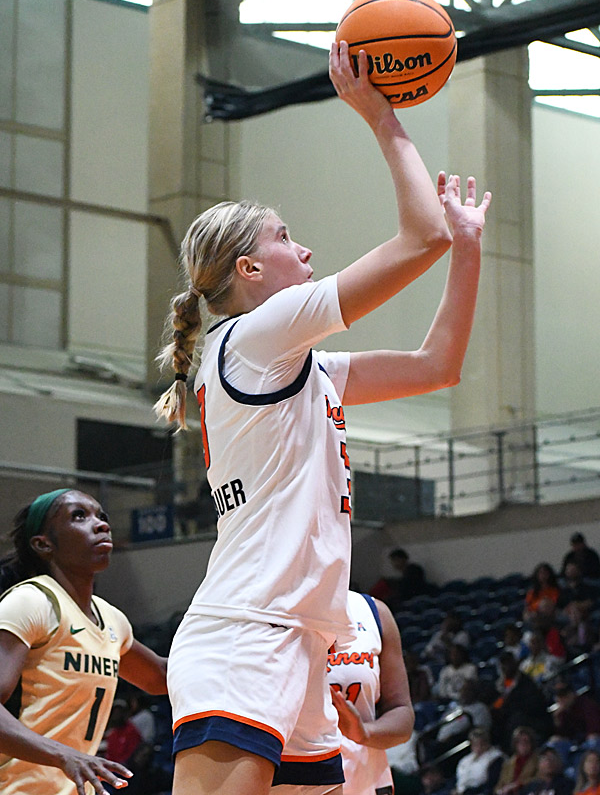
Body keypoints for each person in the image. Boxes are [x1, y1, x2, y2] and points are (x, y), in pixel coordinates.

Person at [153, 39, 490, 795]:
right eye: (283, 238)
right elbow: (418, 238)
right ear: (247, 271)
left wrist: (466, 249)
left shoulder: (290, 362)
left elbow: (438, 366)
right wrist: (383, 118)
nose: (303, 249)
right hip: (249, 634)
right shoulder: (254, 335)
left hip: (299, 639)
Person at [0, 488, 168, 795]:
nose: (101, 524)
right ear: (43, 544)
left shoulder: (112, 618)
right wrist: (63, 754)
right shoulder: (31, 602)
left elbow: (161, 678)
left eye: (102, 517)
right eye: (79, 516)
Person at [327, 590, 414, 795]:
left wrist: (365, 732)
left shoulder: (373, 611)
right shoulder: (270, 608)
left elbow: (402, 712)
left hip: (364, 779)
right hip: (293, 774)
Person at [491, 652, 552, 753]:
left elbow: (534, 706)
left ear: (515, 664)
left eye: (508, 664)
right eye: (503, 665)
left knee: (515, 720)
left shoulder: (527, 683)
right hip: (506, 722)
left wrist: (509, 703)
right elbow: (498, 704)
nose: (505, 668)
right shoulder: (501, 685)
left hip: (530, 720)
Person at [453, 727, 504, 795]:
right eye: (475, 744)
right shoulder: (465, 761)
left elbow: (491, 784)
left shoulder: (495, 758)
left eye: (482, 744)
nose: (479, 747)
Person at [495, 726, 539, 795]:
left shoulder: (538, 760)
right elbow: (500, 783)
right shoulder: (508, 763)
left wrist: (517, 784)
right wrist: (500, 791)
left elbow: (539, 779)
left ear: (531, 743)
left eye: (526, 741)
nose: (523, 744)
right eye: (519, 741)